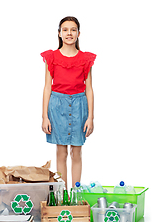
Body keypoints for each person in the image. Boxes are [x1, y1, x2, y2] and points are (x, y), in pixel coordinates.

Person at [41, 16, 96, 189]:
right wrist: (44, 117)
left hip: (79, 106)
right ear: (59, 33)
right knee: (61, 152)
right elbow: (47, 88)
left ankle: (76, 192)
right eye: (65, 29)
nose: (69, 33)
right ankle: (62, 192)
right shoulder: (52, 57)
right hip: (57, 106)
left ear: (79, 33)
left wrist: (91, 117)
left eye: (73, 29)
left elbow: (89, 89)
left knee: (77, 151)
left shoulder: (85, 59)